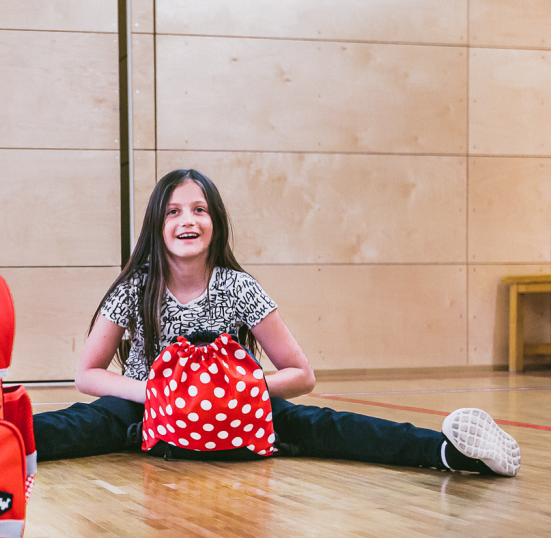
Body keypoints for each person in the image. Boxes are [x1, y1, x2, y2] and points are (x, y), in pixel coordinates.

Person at [34, 169, 521, 476]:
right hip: (149, 412)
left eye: (200, 210)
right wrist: (161, 393)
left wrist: (236, 391)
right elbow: (87, 375)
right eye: (174, 211)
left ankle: (454, 453)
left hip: (238, 412)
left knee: (331, 427)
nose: (188, 220)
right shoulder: (135, 287)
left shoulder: (239, 287)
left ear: (215, 223)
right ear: (156, 225)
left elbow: (301, 375)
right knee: (76, 425)